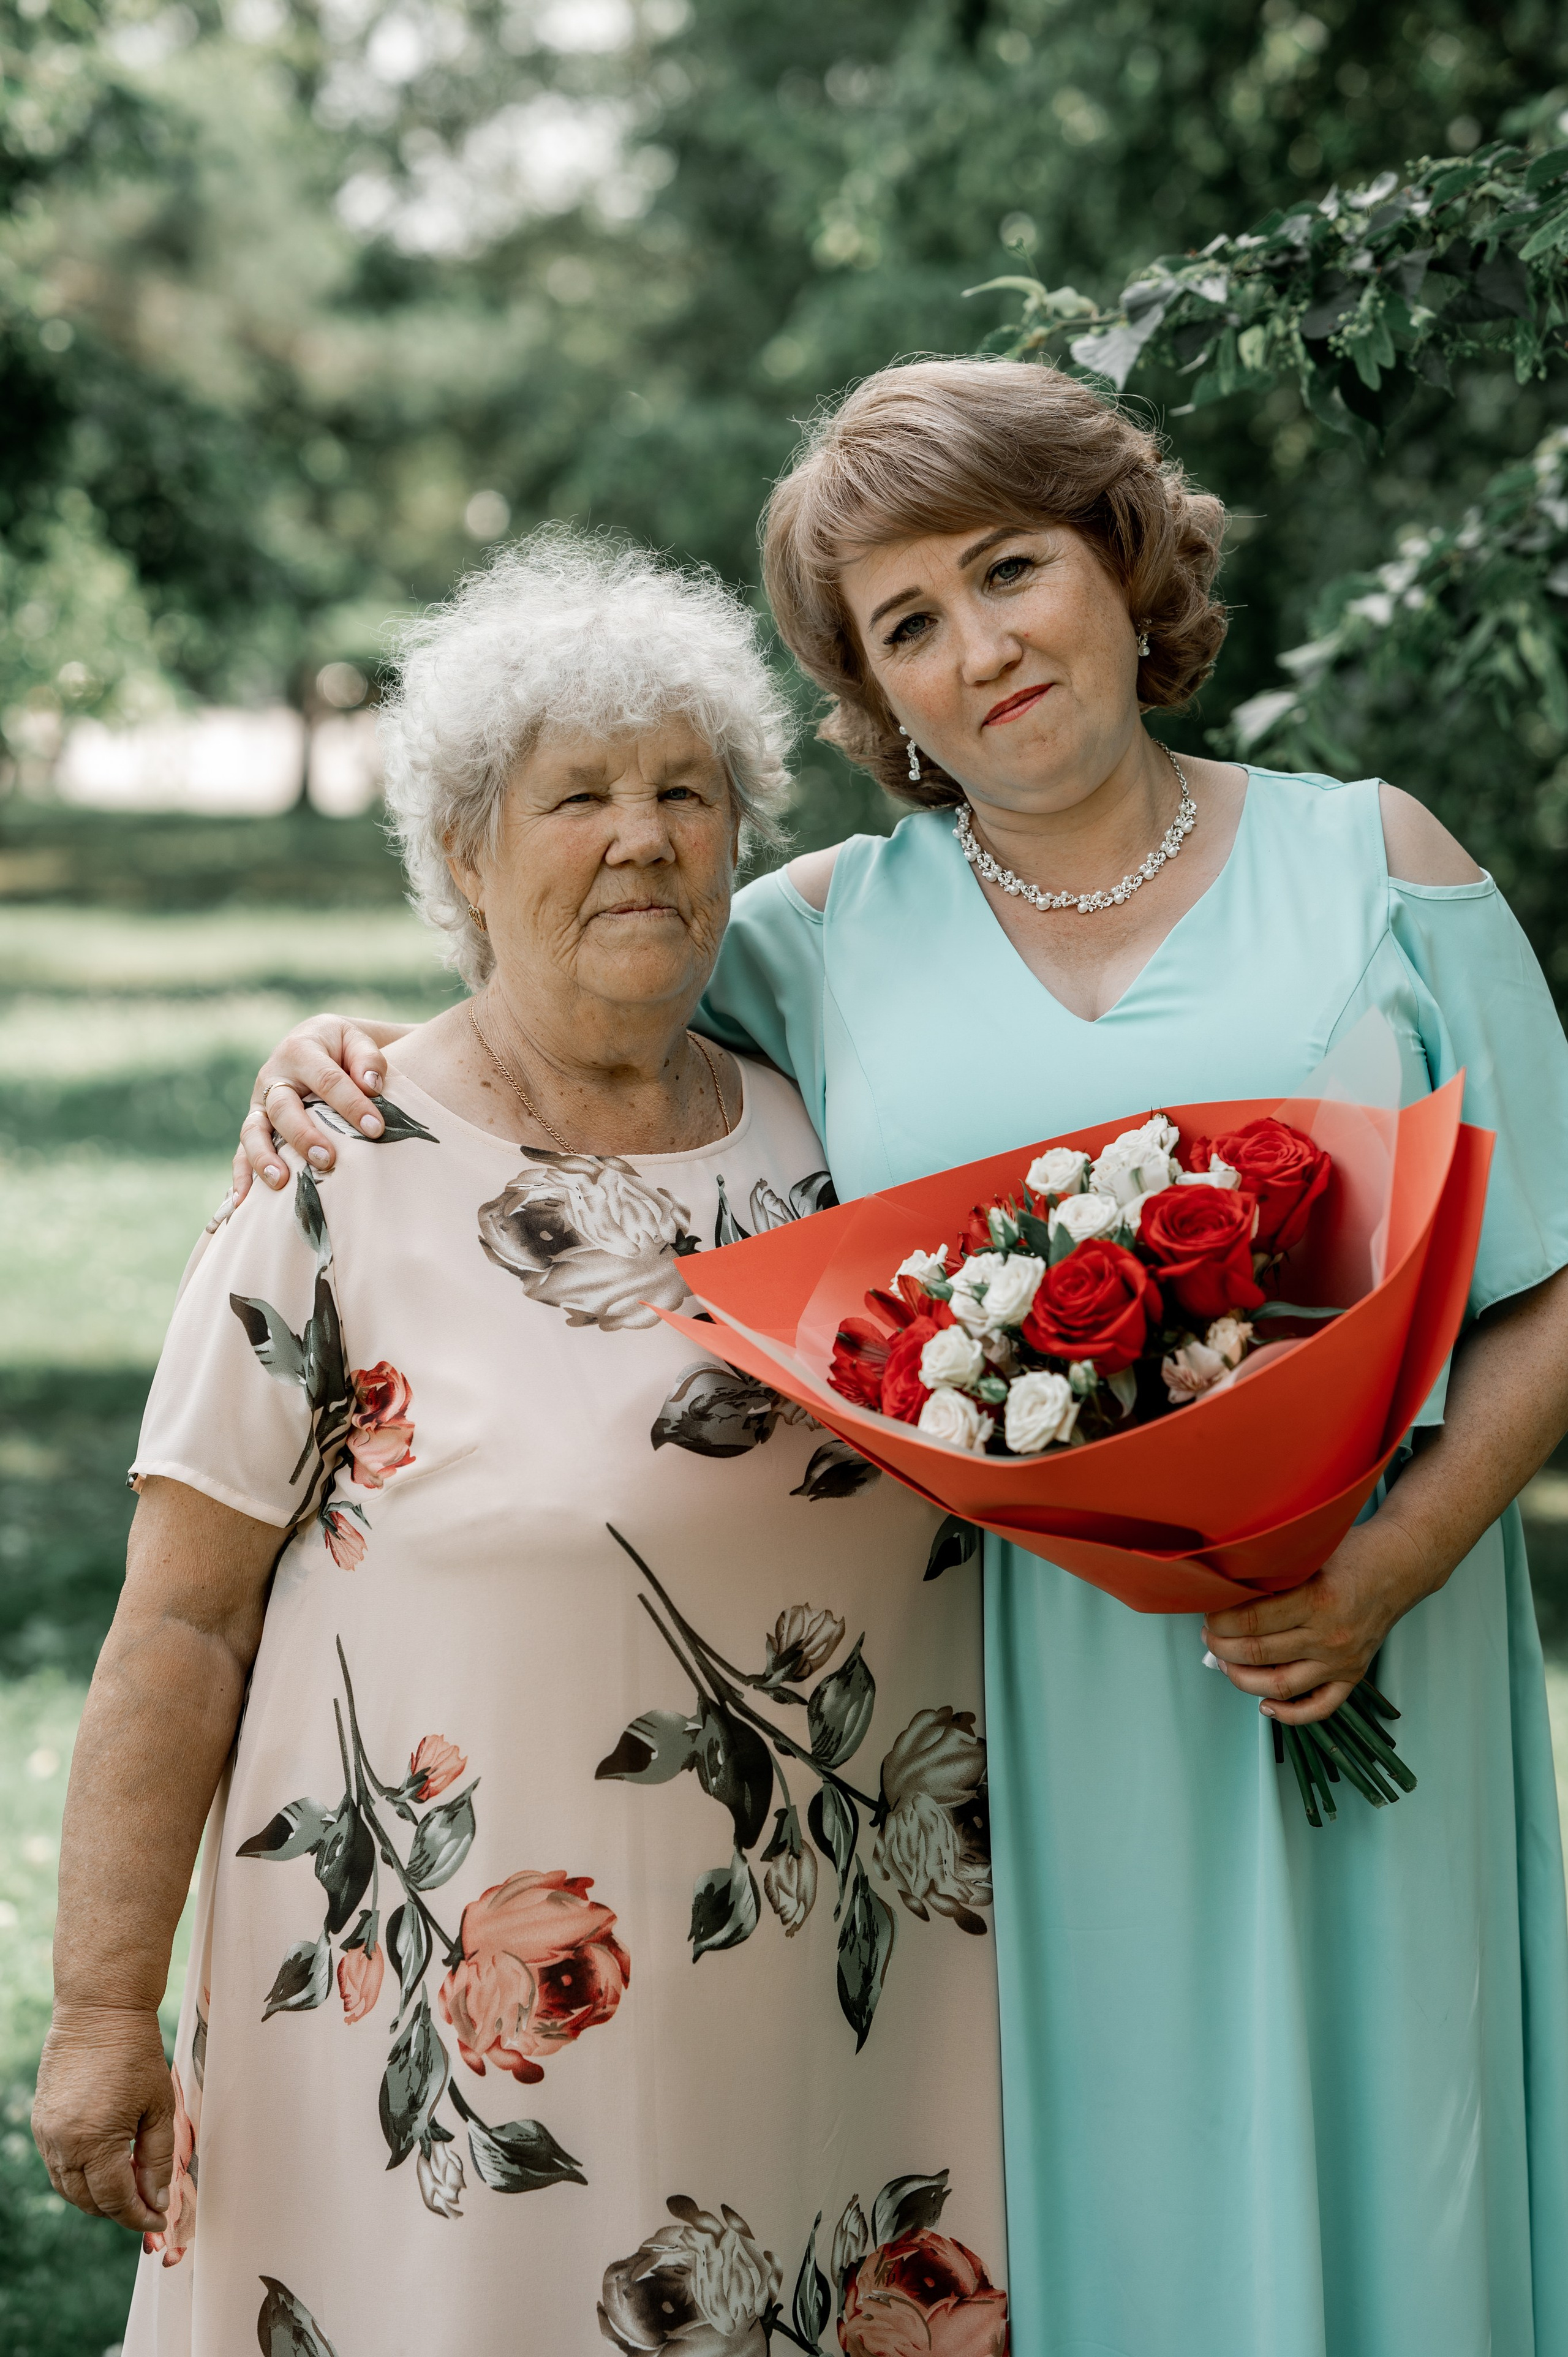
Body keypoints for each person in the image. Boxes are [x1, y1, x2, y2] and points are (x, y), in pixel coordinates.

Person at [233, 360, 1568, 2357]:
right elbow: (567, 995)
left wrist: (1390, 1565)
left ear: (1123, 561)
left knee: (1402, 2168)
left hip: (1360, 1644)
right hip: (1009, 1715)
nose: (981, 651)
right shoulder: (816, 931)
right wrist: (336, 1054)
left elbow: (1553, 1277)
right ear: (873, 692)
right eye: (907, 626)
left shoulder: (1385, 865)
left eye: (1011, 569)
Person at [31, 531, 1011, 2357]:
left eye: (684, 792)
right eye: (577, 797)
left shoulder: (843, 1152)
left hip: (822, 2005)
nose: (640, 836)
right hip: (449, 2058)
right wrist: (98, 2016)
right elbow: (179, 1627)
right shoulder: (337, 1169)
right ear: (464, 858)